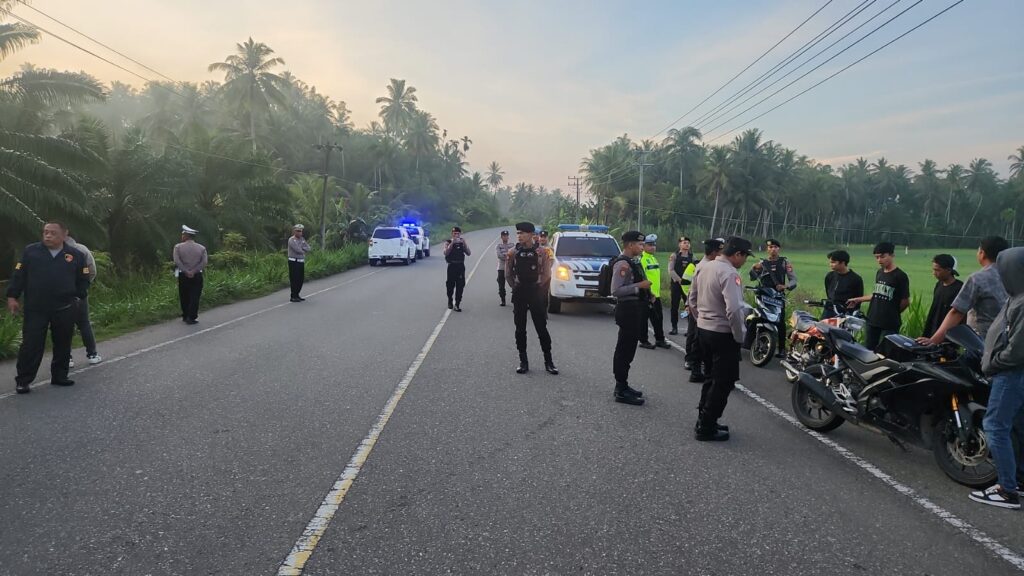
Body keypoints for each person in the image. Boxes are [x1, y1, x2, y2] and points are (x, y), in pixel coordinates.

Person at [7, 221, 91, 394]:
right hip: (36, 308)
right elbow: (19, 275)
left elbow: (83, 278)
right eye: (46, 232)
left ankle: (60, 376)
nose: (48, 235)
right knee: (31, 344)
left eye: (53, 233)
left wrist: (78, 296)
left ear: (64, 234)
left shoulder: (75, 255)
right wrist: (12, 296)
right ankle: (23, 380)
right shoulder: (31, 251)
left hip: (65, 307)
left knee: (63, 343)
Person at [970, 246, 1024, 509]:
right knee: (1016, 425)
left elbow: (1017, 349)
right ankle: (1018, 479)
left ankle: (1006, 489)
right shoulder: (1017, 297)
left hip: (1011, 373)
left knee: (995, 426)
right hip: (1011, 372)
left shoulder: (1022, 302)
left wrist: (993, 363)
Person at [689, 236, 753, 441]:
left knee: (710, 376)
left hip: (704, 329)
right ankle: (707, 426)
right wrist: (739, 336)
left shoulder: (704, 266)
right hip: (722, 333)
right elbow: (734, 309)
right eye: (745, 257)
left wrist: (701, 320)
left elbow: (692, 298)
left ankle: (703, 418)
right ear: (737, 254)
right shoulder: (729, 273)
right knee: (723, 381)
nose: (744, 261)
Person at [919, 236, 1010, 346]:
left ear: (982, 253)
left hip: (983, 342)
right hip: (1010, 340)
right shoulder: (1014, 275)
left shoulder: (978, 278)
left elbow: (957, 312)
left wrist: (933, 340)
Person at [505, 222, 557, 375]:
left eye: (522, 233)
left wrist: (539, 287)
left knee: (541, 327)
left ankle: (549, 361)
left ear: (531, 235)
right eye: (518, 233)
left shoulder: (542, 252)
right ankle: (523, 361)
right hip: (520, 292)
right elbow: (508, 274)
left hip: (536, 292)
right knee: (520, 328)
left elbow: (547, 273)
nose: (519, 236)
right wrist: (515, 287)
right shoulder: (513, 252)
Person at [610, 230, 651, 405]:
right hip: (627, 311)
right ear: (630, 245)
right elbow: (616, 290)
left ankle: (623, 384)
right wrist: (639, 286)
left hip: (634, 310)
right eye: (640, 244)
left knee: (629, 349)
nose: (643, 247)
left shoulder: (632, 262)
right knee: (624, 350)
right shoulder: (622, 264)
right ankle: (620, 389)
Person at [847, 242, 910, 351]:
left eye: (882, 256)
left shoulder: (900, 276)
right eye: (877, 257)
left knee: (886, 351)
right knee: (869, 350)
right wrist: (858, 299)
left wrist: (893, 312)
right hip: (873, 319)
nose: (879, 260)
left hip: (890, 323)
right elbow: (877, 294)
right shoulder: (880, 273)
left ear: (892, 255)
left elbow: (905, 301)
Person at [685, 238, 725, 384]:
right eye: (720, 251)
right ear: (714, 252)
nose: (722, 254)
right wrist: (698, 315)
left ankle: (696, 370)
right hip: (703, 311)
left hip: (700, 310)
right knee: (698, 342)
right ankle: (698, 370)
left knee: (698, 342)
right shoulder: (707, 267)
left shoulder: (703, 265)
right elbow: (693, 292)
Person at [749, 238, 796, 357]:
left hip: (778, 296)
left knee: (780, 322)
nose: (773, 249)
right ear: (767, 249)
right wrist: (753, 268)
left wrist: (786, 286)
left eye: (775, 247)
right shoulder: (762, 263)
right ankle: (751, 343)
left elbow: (793, 280)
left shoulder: (785, 262)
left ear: (778, 249)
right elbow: (753, 277)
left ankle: (782, 349)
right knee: (758, 317)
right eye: (770, 247)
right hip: (763, 295)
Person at [65, 235, 102, 365]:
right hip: (78, 293)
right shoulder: (81, 249)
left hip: (66, 294)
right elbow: (92, 271)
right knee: (83, 323)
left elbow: (91, 271)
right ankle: (92, 354)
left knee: (65, 325)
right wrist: (83, 286)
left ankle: (67, 357)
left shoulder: (54, 252)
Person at [638, 234, 671, 350]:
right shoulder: (642, 259)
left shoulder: (653, 258)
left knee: (658, 318)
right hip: (647, 295)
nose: (653, 247)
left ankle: (660, 339)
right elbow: (641, 278)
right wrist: (647, 293)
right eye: (650, 245)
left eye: (654, 245)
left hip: (656, 295)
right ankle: (643, 340)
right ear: (644, 246)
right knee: (643, 319)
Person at [921, 254, 964, 338]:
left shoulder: (959, 288)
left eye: (937, 270)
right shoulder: (939, 285)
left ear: (948, 270)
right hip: (934, 329)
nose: (934, 273)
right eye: (933, 270)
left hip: (949, 333)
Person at [173, 225, 208, 325]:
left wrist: (186, 271)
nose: (182, 236)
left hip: (183, 275)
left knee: (184, 295)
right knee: (195, 296)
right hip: (197, 275)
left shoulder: (178, 247)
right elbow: (204, 262)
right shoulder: (201, 248)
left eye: (183, 235)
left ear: (186, 236)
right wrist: (193, 271)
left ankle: (185, 315)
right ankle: (191, 317)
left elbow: (177, 261)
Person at [822, 250, 864, 319]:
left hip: (845, 313)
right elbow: (828, 292)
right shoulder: (830, 276)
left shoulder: (855, 279)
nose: (830, 264)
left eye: (833, 262)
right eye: (830, 262)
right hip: (828, 311)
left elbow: (858, 299)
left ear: (842, 262)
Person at [668, 236, 695, 335]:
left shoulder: (692, 257)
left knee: (689, 306)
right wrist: (680, 280)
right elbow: (671, 270)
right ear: (679, 244)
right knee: (674, 306)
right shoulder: (674, 256)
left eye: (688, 243)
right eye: (684, 243)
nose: (687, 244)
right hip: (676, 285)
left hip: (688, 287)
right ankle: (674, 327)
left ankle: (690, 328)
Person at [444, 226, 472, 311]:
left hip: (460, 266)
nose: (456, 235)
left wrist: (464, 243)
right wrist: (452, 243)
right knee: (450, 285)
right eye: (455, 233)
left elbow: (469, 253)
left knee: (460, 285)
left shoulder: (462, 242)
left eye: (458, 233)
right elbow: (446, 253)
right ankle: (450, 299)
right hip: (451, 266)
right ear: (452, 234)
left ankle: (457, 304)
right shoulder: (448, 242)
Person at [287, 224, 312, 303]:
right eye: (298, 231)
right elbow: (297, 250)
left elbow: (308, 248)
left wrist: (303, 248)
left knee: (300, 279)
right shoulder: (291, 240)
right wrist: (303, 249)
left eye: (300, 231)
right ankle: (293, 296)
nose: (299, 232)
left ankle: (297, 294)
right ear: (294, 231)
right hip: (293, 261)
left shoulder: (302, 239)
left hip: (301, 261)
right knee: (294, 279)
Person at [495, 230, 513, 306]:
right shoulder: (498, 246)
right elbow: (499, 256)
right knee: (501, 285)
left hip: (510, 267)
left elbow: (514, 254)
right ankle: (503, 300)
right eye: (503, 236)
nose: (505, 237)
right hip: (501, 268)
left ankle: (514, 298)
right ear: (501, 237)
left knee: (514, 284)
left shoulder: (512, 245)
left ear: (508, 237)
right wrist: (508, 255)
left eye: (506, 236)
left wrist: (506, 255)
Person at [538, 230, 554, 314]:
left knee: (544, 294)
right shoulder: (535, 247)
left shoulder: (549, 249)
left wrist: (545, 271)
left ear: (547, 238)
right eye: (541, 237)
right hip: (536, 275)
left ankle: (544, 312)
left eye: (544, 237)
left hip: (545, 275)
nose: (542, 239)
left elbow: (551, 261)